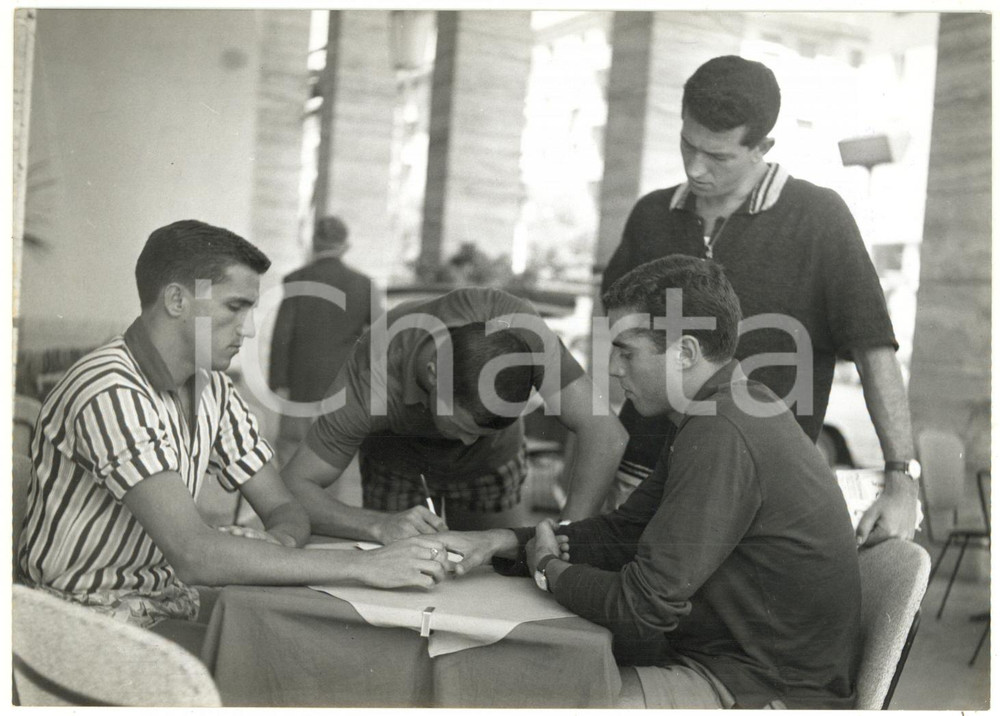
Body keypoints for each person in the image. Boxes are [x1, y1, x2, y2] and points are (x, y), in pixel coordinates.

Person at [438, 256, 862, 709]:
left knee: (524, 693)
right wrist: (500, 540)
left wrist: (548, 570)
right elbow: (624, 531)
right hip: (736, 663)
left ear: (685, 354)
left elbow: (641, 609)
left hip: (768, 689)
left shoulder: (724, 429)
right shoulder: (722, 408)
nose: (615, 369)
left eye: (626, 351)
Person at [17, 220, 452, 647]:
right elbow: (194, 553)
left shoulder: (213, 387)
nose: (249, 329)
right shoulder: (109, 390)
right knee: (293, 662)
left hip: (162, 605)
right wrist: (365, 566)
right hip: (79, 623)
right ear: (176, 300)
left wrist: (277, 544)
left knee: (313, 645)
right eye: (235, 307)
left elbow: (283, 503)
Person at [600, 54, 918, 546]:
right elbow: (618, 339)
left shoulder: (819, 218)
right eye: (687, 143)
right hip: (640, 473)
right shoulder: (651, 215)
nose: (695, 167)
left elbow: (874, 349)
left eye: (719, 156)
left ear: (762, 146)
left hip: (754, 487)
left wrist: (901, 477)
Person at [282, 286, 627, 539]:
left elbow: (606, 433)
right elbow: (294, 484)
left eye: (479, 431)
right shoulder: (371, 381)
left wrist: (567, 536)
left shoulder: (517, 327)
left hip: (493, 462)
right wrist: (376, 525)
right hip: (398, 466)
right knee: (402, 582)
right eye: (460, 426)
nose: (466, 441)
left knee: (505, 579)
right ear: (433, 374)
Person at [268, 215, 382, 465]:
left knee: (291, 447)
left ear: (313, 242)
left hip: (299, 382)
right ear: (344, 246)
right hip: (342, 384)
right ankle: (324, 502)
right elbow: (379, 338)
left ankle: (291, 502)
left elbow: (282, 334)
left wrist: (278, 381)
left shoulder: (296, 279)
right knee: (332, 452)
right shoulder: (364, 285)